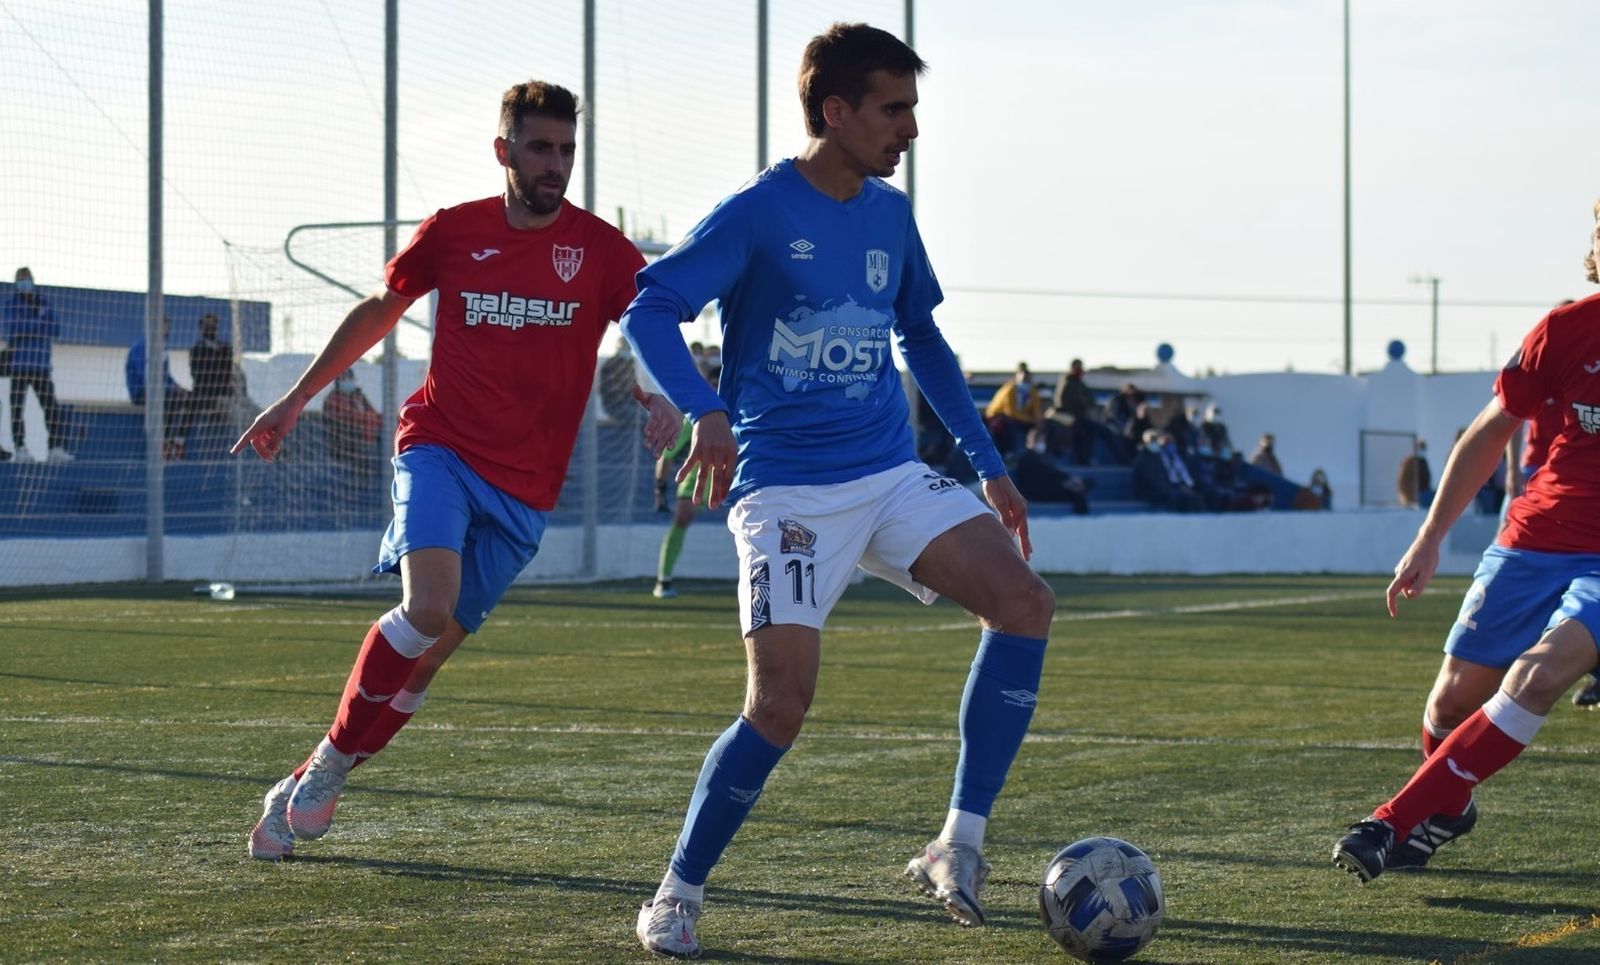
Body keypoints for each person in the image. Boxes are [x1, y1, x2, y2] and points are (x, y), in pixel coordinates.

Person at [620, 23, 1054, 957]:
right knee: (779, 705)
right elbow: (649, 304)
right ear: (837, 111)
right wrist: (702, 408)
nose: (910, 130)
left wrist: (986, 461)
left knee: (1023, 601)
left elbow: (923, 341)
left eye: (912, 109)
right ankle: (676, 892)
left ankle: (958, 843)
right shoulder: (757, 211)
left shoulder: (890, 215)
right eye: (894, 109)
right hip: (786, 494)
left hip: (892, 474)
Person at [236, 79, 679, 862]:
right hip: (439, 447)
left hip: (525, 488)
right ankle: (331, 766)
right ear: (504, 150)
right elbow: (381, 307)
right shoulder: (453, 230)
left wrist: (660, 394)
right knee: (428, 608)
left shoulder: (602, 250)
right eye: (540, 148)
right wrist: (297, 397)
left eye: (567, 151)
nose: (555, 165)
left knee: (429, 655)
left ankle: (312, 771)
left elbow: (646, 326)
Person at [1330, 200, 1600, 883]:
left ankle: (1390, 819)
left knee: (1538, 675)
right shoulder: (1565, 329)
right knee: (1449, 706)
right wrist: (1429, 537)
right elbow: (1487, 432)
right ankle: (1450, 807)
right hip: (1534, 537)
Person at [653, 364, 721, 598]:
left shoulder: (746, 410)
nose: (717, 390)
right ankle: (664, 580)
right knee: (682, 516)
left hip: (743, 474)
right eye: (713, 385)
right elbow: (668, 453)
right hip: (703, 475)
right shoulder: (698, 417)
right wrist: (660, 488)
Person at [4, 267, 73, 463]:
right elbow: (16, 328)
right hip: (20, 365)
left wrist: (34, 324)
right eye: (20, 279)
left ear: (33, 280)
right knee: (17, 407)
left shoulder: (44, 303)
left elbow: (55, 328)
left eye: (26, 279)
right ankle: (20, 448)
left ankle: (55, 448)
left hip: (41, 366)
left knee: (51, 407)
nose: (24, 282)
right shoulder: (11, 305)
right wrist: (39, 322)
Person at [125, 315, 193, 460]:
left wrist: (179, 388)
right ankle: (163, 442)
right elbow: (146, 378)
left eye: (167, 328)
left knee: (191, 399)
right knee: (168, 398)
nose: (167, 331)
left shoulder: (163, 349)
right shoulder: (141, 347)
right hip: (141, 391)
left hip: (161, 390)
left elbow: (166, 376)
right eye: (164, 328)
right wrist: (170, 389)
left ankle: (179, 441)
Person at [322, 367, 383, 478]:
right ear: (338, 381)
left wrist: (384, 420)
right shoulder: (333, 399)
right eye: (344, 379)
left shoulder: (358, 396)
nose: (348, 381)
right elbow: (354, 417)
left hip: (367, 441)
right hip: (345, 445)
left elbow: (374, 414)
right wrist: (370, 418)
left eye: (350, 379)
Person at [983, 362, 1041, 455]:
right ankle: (1014, 453)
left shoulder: (1032, 392)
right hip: (999, 417)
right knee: (1012, 427)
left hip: (1020, 419)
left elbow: (1036, 410)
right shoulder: (1010, 389)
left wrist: (1037, 422)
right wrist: (1030, 420)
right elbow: (1010, 412)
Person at [1397, 441, 1434, 508]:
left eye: (1423, 448)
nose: (1422, 451)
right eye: (1420, 448)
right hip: (1414, 496)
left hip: (1422, 494)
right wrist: (1409, 497)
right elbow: (1403, 483)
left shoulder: (1422, 462)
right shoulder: (1410, 462)